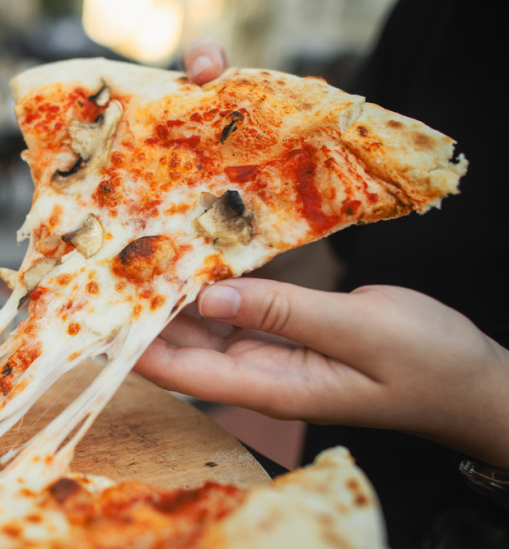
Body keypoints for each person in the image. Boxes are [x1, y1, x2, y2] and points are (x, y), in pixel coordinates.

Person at [135, 2, 509, 547]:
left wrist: (487, 401)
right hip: (350, 493)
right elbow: (339, 251)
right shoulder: (438, 16)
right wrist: (236, 181)